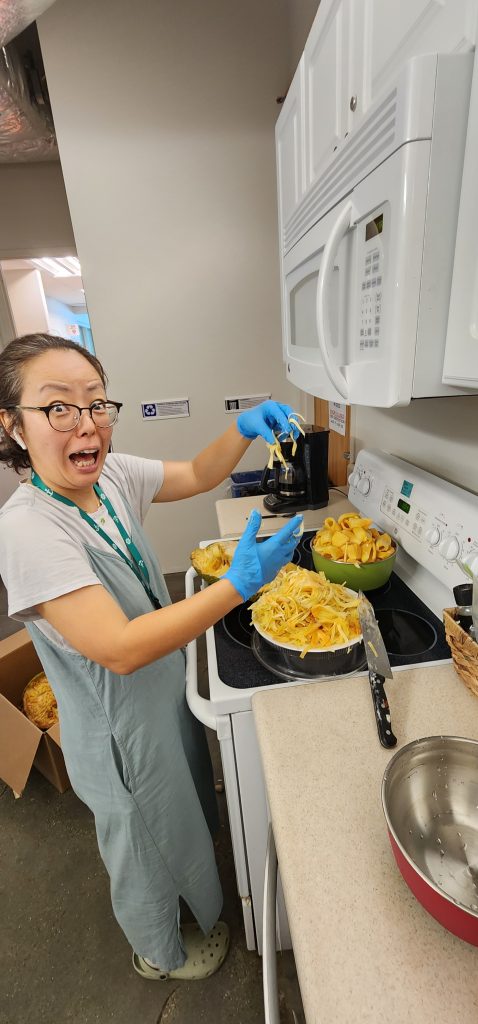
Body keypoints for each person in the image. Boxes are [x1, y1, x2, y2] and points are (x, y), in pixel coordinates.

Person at [0, 333, 302, 982]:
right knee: (141, 847)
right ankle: (157, 951)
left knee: (182, 816)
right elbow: (118, 648)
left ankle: (192, 901)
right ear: (12, 427)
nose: (86, 424)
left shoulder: (106, 477)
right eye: (58, 408)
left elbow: (195, 474)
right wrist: (236, 588)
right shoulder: (28, 528)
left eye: (96, 403)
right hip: (117, 729)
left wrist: (243, 429)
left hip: (164, 691)